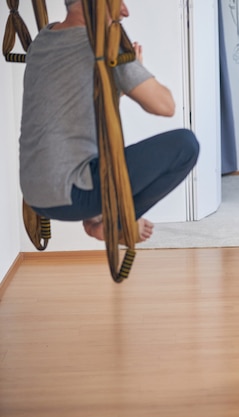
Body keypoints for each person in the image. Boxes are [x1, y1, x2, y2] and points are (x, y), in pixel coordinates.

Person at [19, 0, 200, 243]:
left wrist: (121, 82)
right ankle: (115, 223)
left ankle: (95, 217)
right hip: (74, 194)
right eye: (118, 2)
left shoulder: (42, 40)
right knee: (185, 145)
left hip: (35, 196)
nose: (124, 11)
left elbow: (80, 103)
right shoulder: (106, 46)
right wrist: (131, 66)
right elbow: (165, 106)